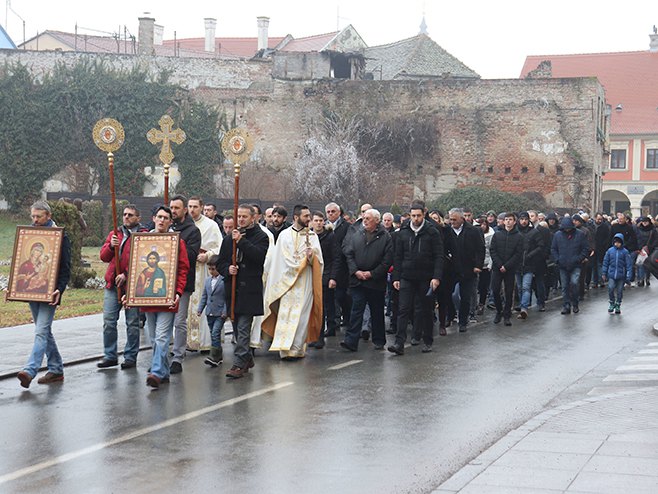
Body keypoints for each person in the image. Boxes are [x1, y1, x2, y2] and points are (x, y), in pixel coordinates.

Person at [16, 201, 72, 389]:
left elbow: (65, 268)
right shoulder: (29, 234)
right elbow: (21, 264)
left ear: (48, 216)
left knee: (41, 331)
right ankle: (56, 369)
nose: (35, 220)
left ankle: (30, 370)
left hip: (50, 293)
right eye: (33, 216)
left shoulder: (60, 237)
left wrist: (60, 289)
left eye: (38, 216)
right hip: (32, 292)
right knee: (44, 330)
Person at [261, 205, 324, 359]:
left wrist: (311, 257)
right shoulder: (284, 235)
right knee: (286, 314)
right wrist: (299, 265)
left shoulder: (312, 236)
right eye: (306, 216)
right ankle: (284, 348)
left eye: (309, 216)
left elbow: (320, 261)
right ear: (296, 217)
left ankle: (296, 349)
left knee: (302, 315)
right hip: (287, 282)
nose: (309, 219)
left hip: (306, 281)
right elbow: (280, 260)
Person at [139, 206, 189, 388]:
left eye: (165, 218)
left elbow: (183, 269)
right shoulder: (142, 241)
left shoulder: (177, 242)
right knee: (153, 338)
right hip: (147, 299)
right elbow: (134, 266)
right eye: (159, 217)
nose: (161, 220)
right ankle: (164, 371)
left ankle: (157, 372)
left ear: (170, 222)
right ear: (153, 218)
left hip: (167, 298)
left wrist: (177, 292)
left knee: (161, 337)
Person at [217, 204, 269, 378]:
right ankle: (246, 358)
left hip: (250, 289)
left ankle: (238, 364)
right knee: (237, 328)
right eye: (238, 216)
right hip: (233, 289)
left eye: (244, 217)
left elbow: (258, 256)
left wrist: (241, 241)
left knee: (244, 327)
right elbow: (221, 261)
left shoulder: (261, 236)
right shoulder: (228, 237)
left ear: (253, 218)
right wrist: (227, 269)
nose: (240, 219)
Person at [388, 203, 443, 355]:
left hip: (426, 277)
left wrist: (436, 277)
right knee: (403, 309)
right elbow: (398, 256)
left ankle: (427, 340)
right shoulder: (404, 232)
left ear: (423, 214)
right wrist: (396, 277)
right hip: (407, 276)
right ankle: (399, 343)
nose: (416, 218)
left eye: (418, 215)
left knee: (425, 309)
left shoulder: (432, 232)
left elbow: (439, 256)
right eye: (413, 216)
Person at [97, 205, 147, 369]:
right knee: (109, 321)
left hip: (133, 286)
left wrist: (126, 274)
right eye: (124, 214)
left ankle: (130, 357)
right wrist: (111, 246)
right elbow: (104, 257)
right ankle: (110, 355)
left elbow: (142, 260)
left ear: (138, 218)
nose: (126, 217)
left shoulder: (143, 235)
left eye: (130, 215)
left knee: (132, 323)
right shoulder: (115, 233)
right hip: (113, 284)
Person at [340, 208, 393, 352]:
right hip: (358, 281)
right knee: (356, 310)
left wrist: (372, 273)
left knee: (376, 312)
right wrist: (355, 271)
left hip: (375, 282)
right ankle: (351, 340)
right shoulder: (357, 235)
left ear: (377, 220)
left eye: (368, 218)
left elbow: (386, 261)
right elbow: (349, 255)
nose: (365, 220)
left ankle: (379, 340)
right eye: (364, 218)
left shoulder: (386, 237)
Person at [169, 194, 201, 374]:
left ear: (184, 210)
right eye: (171, 208)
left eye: (177, 208)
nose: (173, 211)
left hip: (182, 281)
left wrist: (173, 244)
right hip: (163, 281)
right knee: (163, 320)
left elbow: (190, 255)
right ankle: (162, 352)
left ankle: (178, 356)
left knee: (180, 320)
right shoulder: (166, 226)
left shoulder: (192, 231)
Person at [186, 196, 222, 352]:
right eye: (189, 206)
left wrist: (207, 255)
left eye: (195, 206)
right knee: (186, 305)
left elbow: (219, 247)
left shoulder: (211, 225)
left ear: (201, 207)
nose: (192, 210)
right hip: (187, 268)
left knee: (203, 302)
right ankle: (189, 342)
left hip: (203, 270)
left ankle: (206, 341)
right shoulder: (184, 224)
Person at [444, 208, 485, 332]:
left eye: (454, 220)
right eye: (450, 219)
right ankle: (450, 315)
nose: (452, 222)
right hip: (452, 269)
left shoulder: (473, 231)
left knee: (465, 297)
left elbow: (480, 249)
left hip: (468, 269)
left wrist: (478, 265)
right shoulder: (448, 231)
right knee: (449, 294)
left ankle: (463, 321)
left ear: (462, 219)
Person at [308, 211, 338, 349]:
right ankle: (314, 334)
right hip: (312, 275)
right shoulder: (309, 236)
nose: (319, 223)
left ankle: (323, 333)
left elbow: (335, 258)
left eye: (321, 220)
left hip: (325, 274)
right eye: (316, 220)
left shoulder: (330, 237)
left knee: (324, 305)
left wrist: (333, 277)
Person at [490, 212, 523, 326]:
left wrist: (507, 266)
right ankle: (499, 310)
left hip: (510, 268)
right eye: (506, 219)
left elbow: (518, 254)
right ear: (503, 221)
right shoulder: (497, 234)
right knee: (495, 290)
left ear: (514, 222)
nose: (508, 221)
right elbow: (492, 250)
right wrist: (499, 265)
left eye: (510, 219)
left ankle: (507, 314)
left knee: (509, 292)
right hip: (497, 268)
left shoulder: (518, 236)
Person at [551, 216, 589, 315]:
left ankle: (575, 303)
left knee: (574, 283)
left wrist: (579, 258)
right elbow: (553, 249)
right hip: (562, 264)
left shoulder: (580, 235)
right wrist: (557, 259)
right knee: (564, 286)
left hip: (576, 264)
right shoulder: (558, 235)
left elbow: (585, 249)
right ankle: (566, 305)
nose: (567, 230)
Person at [325, 202, 351, 336]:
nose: (330, 214)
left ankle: (346, 317)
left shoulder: (346, 227)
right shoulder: (323, 227)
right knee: (330, 298)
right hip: (328, 266)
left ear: (339, 212)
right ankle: (332, 323)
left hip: (343, 267)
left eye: (333, 211)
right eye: (328, 212)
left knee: (342, 296)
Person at [197, 255, 226, 367]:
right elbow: (204, 296)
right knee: (212, 333)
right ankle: (218, 354)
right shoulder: (208, 281)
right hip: (209, 312)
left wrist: (225, 311)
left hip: (220, 313)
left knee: (215, 332)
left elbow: (227, 298)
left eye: (213, 269)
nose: (211, 271)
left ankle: (214, 356)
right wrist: (200, 309)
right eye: (209, 269)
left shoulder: (224, 280)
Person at [516, 211, 545, 320]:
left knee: (526, 287)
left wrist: (530, 255)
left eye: (525, 219)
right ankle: (522, 303)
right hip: (517, 264)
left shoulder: (534, 232)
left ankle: (524, 307)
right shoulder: (516, 232)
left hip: (529, 264)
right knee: (519, 287)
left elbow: (540, 246)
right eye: (521, 219)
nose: (523, 221)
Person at [601, 233, 632, 314]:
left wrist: (628, 275)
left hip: (621, 275)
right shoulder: (610, 251)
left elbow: (628, 264)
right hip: (611, 274)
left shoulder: (625, 252)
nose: (617, 244)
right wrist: (604, 273)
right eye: (615, 242)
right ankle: (611, 302)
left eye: (618, 242)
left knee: (619, 291)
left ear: (622, 243)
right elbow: (605, 262)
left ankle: (618, 304)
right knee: (610, 288)